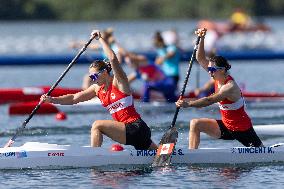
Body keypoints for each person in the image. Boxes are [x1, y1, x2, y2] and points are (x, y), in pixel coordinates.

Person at [41, 30, 157, 150]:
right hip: (131, 132)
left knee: (97, 125)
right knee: (158, 154)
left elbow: (112, 58)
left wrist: (101, 38)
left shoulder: (119, 82)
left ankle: (94, 155)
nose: (93, 79)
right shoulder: (97, 89)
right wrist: (52, 99)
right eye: (91, 77)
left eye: (95, 76)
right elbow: (74, 98)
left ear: (105, 72)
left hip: (136, 127)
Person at [176, 28, 263, 149]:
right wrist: (202, 38)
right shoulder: (217, 75)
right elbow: (200, 59)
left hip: (242, 130)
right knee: (195, 123)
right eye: (209, 69)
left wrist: (188, 104)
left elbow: (209, 100)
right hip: (226, 127)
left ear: (222, 70)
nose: (210, 73)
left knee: (261, 151)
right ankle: (193, 157)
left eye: (212, 70)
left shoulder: (229, 87)